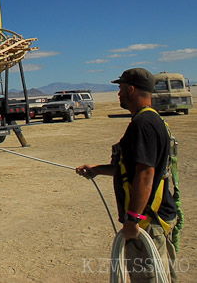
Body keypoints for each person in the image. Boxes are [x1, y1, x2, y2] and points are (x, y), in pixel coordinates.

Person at [76, 68, 178, 282]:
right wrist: (97, 169)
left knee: (148, 278)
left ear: (131, 89)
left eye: (121, 89)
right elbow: (131, 169)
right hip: (151, 217)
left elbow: (145, 174)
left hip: (148, 221)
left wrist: (133, 219)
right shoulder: (152, 121)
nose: (119, 94)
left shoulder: (143, 125)